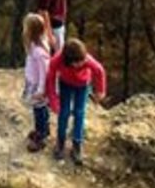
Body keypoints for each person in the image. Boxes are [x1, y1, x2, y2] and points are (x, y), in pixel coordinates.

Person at [43, 36, 108, 165]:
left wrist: (100, 91)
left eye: (83, 60)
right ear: (68, 61)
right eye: (78, 62)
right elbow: (50, 78)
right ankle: (60, 142)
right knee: (64, 112)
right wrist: (53, 99)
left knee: (80, 113)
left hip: (83, 86)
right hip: (65, 84)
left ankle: (77, 144)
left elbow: (99, 70)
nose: (82, 63)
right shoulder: (57, 59)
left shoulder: (85, 58)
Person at [22, 13, 59, 153]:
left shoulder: (39, 51)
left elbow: (45, 72)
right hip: (33, 83)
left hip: (39, 86)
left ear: (31, 31)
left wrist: (41, 89)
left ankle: (41, 136)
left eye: (26, 28)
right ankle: (42, 130)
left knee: (40, 110)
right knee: (38, 109)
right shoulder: (33, 46)